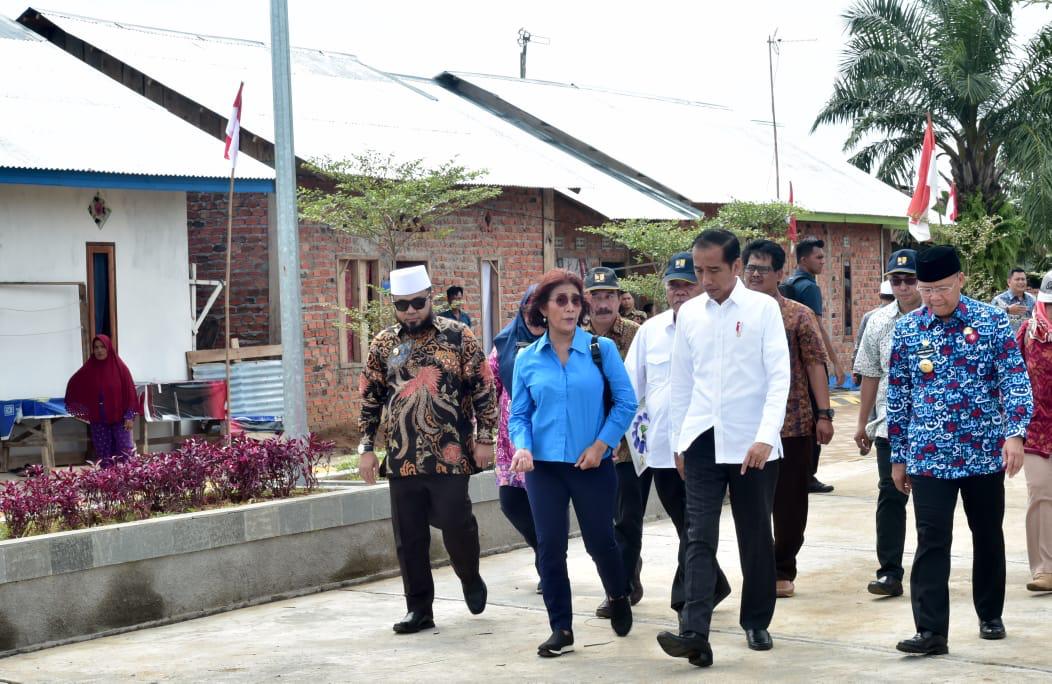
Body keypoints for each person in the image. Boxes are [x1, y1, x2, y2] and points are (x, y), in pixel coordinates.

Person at [887, 246, 1032, 656]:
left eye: (942, 289)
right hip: (929, 454)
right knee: (931, 539)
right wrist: (898, 455)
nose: (934, 297)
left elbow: (1014, 379)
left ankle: (990, 614)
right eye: (926, 289)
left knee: (987, 534)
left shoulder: (990, 321)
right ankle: (931, 631)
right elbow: (899, 394)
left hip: (983, 451)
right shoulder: (909, 329)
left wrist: (1014, 433)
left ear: (961, 280)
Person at [656, 229, 790, 668]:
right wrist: (679, 441)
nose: (706, 279)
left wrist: (766, 435)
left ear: (736, 267)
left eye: (714, 270)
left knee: (755, 534)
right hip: (701, 439)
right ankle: (694, 632)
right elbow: (680, 382)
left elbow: (779, 377)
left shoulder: (763, 309)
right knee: (698, 534)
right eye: (699, 270)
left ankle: (756, 620)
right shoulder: (690, 315)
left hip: (752, 442)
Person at [357, 265, 497, 635]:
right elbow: (370, 397)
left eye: (417, 303)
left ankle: (469, 575)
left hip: (450, 452)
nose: (410, 311)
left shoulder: (458, 335)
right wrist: (367, 448)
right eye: (402, 305)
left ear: (430, 297)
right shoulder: (383, 344)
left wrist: (485, 438)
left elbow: (483, 387)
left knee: (455, 522)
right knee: (409, 537)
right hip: (401, 456)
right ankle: (418, 609)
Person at [508, 269, 637, 657]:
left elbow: (626, 402)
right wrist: (522, 447)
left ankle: (618, 594)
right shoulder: (527, 359)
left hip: (591, 466)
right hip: (543, 469)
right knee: (549, 548)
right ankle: (561, 628)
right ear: (543, 308)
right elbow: (519, 414)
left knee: (601, 541)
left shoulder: (601, 350)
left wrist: (601, 445)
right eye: (561, 301)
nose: (570, 308)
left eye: (575, 301)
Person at [622, 252, 732, 620]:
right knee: (686, 524)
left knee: (694, 525)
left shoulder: (715, 328)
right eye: (674, 285)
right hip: (661, 450)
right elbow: (631, 386)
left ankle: (687, 599)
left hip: (702, 446)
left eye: (687, 285)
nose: (680, 292)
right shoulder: (650, 332)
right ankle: (712, 584)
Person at [743, 239, 834, 599]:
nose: (754, 274)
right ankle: (758, 567)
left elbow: (815, 364)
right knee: (751, 503)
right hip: (745, 425)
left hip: (792, 423)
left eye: (762, 269)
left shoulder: (797, 315)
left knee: (790, 502)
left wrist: (824, 414)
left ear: (779, 274)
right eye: (750, 267)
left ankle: (783, 567)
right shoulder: (734, 314)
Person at [852, 250, 923, 598]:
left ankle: (928, 571)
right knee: (891, 496)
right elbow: (870, 374)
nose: (904, 286)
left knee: (929, 502)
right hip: (888, 426)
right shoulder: (878, 321)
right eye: (897, 280)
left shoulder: (938, 316)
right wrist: (862, 424)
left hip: (930, 425)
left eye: (910, 280)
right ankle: (889, 573)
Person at [582, 267, 644, 614]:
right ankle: (626, 577)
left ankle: (621, 588)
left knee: (627, 520)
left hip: (631, 445)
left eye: (609, 296)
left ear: (620, 299)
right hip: (591, 444)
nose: (603, 304)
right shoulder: (575, 338)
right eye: (596, 297)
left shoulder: (637, 335)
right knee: (600, 522)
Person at [487, 286, 545, 593]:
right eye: (528, 309)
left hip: (547, 439)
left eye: (539, 309)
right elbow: (489, 387)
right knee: (511, 504)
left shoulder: (560, 342)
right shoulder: (504, 343)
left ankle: (549, 566)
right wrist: (479, 432)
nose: (533, 316)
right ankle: (543, 552)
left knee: (546, 506)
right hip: (511, 442)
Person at [782, 236, 843, 494]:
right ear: (804, 259)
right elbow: (816, 328)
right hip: (809, 361)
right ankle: (809, 475)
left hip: (791, 363)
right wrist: (835, 361)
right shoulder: (809, 287)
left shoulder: (789, 283)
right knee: (816, 415)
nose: (822, 262)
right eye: (818, 257)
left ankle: (801, 473)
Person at [1018, 269, 1052, 593]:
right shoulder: (1028, 334)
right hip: (1036, 429)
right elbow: (1011, 380)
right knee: (1041, 491)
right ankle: (1044, 568)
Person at [64, 334, 138, 468]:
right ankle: (108, 480)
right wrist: (85, 407)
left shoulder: (120, 368)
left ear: (108, 348)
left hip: (120, 420)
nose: (99, 350)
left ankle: (126, 480)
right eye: (96, 347)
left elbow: (130, 393)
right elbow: (75, 384)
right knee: (105, 456)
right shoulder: (89, 368)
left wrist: (129, 416)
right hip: (99, 421)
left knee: (125, 452)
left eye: (102, 347)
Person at [852, 280, 895, 385]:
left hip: (873, 370)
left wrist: (855, 369)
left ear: (879, 295)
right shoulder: (907, 315)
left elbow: (859, 344)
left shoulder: (869, 316)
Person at [992, 268, 1036, 333]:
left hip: (1028, 337)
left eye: (1023, 279)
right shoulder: (999, 300)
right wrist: (1007, 310)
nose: (1021, 282)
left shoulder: (1032, 299)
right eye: (1017, 279)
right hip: (1008, 338)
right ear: (1009, 282)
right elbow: (991, 318)